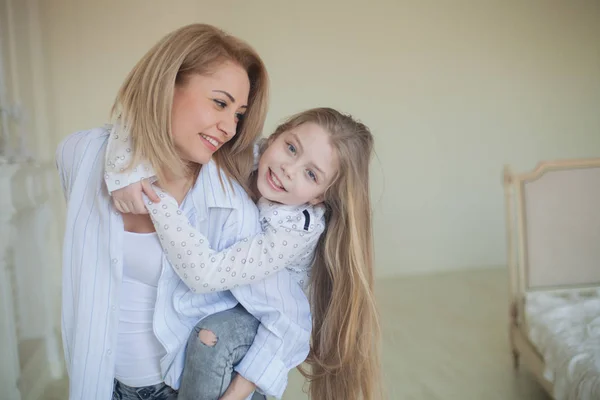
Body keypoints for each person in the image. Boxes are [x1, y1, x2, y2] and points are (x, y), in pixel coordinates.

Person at [56, 23, 310, 400]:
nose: (228, 128)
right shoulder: (81, 156)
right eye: (220, 103)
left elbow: (287, 318)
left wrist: (235, 394)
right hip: (98, 382)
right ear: (167, 85)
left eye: (238, 114)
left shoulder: (229, 206)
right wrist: (123, 168)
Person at [108, 108, 382, 400]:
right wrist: (125, 172)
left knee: (211, 339)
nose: (289, 169)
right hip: (237, 293)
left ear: (318, 198)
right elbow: (134, 119)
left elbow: (206, 274)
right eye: (291, 148)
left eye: (311, 174)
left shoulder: (295, 229)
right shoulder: (245, 153)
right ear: (274, 136)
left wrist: (157, 200)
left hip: (269, 317)